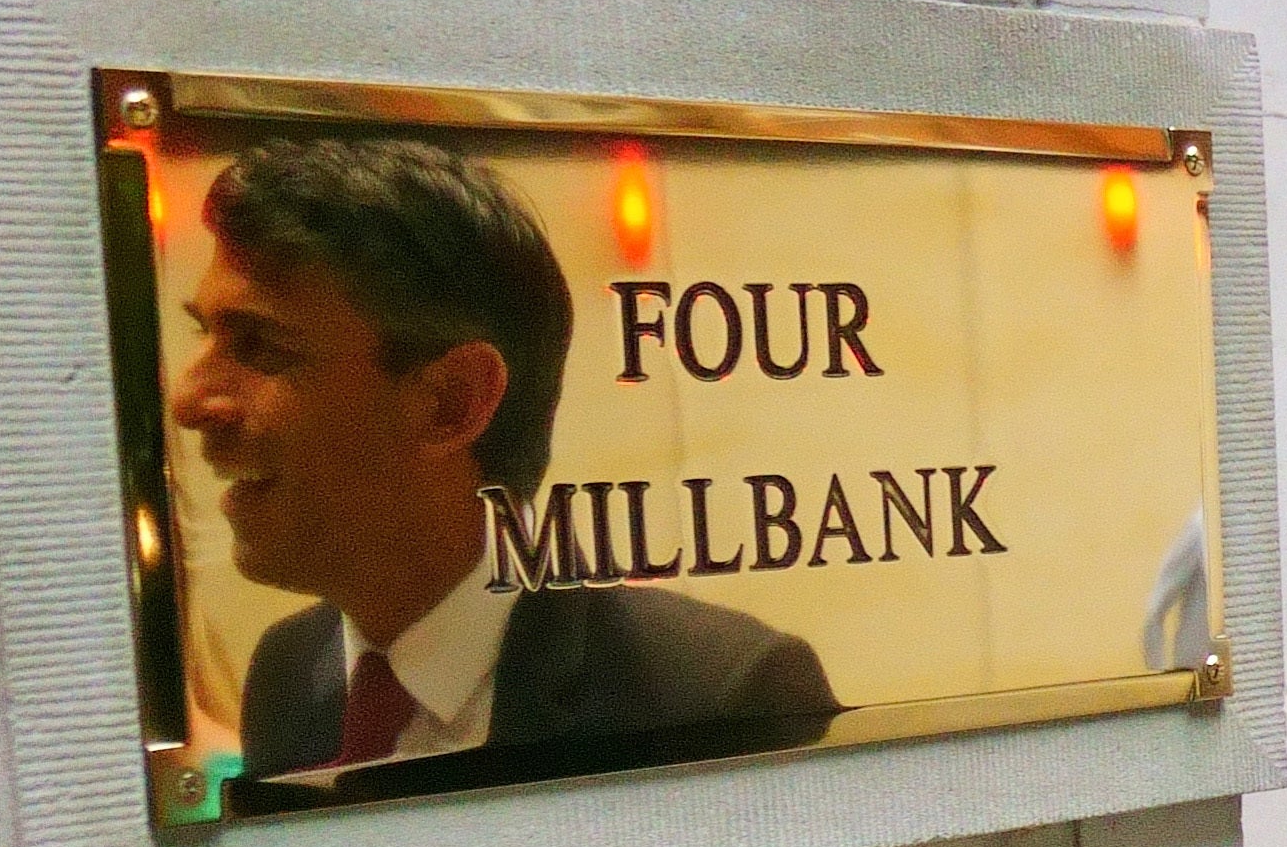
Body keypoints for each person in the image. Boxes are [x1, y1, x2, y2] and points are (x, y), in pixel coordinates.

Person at [169, 137, 836, 778]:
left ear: (450, 404)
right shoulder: (288, 673)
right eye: (206, 335)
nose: (189, 400)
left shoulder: (721, 697)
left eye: (259, 345)